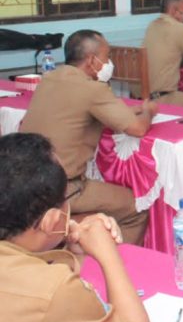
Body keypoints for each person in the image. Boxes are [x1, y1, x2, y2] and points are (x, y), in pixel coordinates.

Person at [0, 133, 153, 322]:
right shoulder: (51, 291)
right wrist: (108, 254)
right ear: (51, 220)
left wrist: (71, 252)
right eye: (66, 198)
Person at [21, 30, 155, 245]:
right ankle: (113, 260)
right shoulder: (92, 89)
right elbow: (138, 129)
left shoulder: (49, 78)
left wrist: (131, 111)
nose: (109, 63)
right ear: (92, 60)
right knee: (136, 207)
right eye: (107, 56)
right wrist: (148, 112)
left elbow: (84, 110)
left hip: (25, 181)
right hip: (63, 187)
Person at [143, 0, 183, 107]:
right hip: (164, 97)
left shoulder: (152, 25)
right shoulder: (180, 29)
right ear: (174, 11)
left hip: (144, 95)